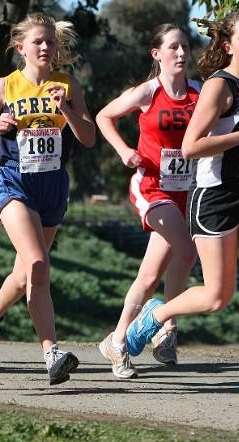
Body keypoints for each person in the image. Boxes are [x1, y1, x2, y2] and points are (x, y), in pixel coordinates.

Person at [126, 9, 239, 400]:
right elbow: (190, 147)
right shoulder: (218, 87)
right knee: (217, 296)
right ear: (228, 45)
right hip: (216, 196)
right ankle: (157, 313)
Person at [0, 13, 96, 385]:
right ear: (20, 48)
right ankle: (51, 352)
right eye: (39, 42)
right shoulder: (5, 86)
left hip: (53, 185)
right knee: (39, 266)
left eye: (51, 42)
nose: (46, 48)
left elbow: (89, 137)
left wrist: (66, 108)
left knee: (25, 271)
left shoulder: (67, 84)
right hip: (15, 182)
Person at [95, 24, 199, 379]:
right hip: (151, 188)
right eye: (174, 47)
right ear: (157, 54)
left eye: (186, 46)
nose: (182, 53)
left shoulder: (200, 93)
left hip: (186, 191)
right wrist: (124, 150)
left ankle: (117, 340)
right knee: (186, 251)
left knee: (150, 274)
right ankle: (167, 327)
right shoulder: (148, 93)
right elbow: (103, 116)